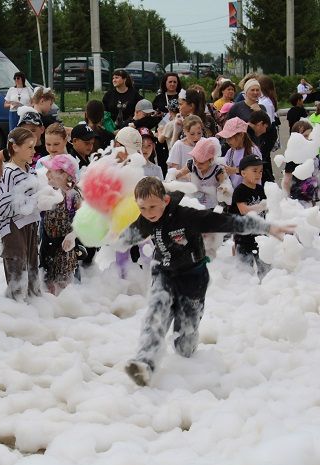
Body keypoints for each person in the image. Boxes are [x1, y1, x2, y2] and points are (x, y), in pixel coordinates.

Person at [121, 177, 293, 386]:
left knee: (185, 338)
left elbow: (226, 221)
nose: (148, 213)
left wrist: (265, 227)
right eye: (142, 208)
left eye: (152, 207)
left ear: (165, 200)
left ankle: (187, 349)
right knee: (155, 314)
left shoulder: (186, 216)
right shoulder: (145, 220)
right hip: (164, 274)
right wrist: (104, 234)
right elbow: (123, 237)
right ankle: (144, 363)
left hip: (193, 277)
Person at [0, 127, 41, 300]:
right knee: (17, 269)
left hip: (29, 225)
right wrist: (31, 202)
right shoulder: (10, 172)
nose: (34, 151)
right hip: (13, 229)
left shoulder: (30, 170)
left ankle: (33, 306)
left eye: (34, 146)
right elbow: (3, 207)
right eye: (29, 147)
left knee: (31, 267)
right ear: (15, 147)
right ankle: (16, 309)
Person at [39, 154, 83, 294]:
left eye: (51, 171)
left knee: (65, 285)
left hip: (65, 246)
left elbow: (84, 219)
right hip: (47, 244)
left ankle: (67, 310)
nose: (46, 174)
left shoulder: (73, 195)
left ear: (64, 175)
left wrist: (72, 235)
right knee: (48, 282)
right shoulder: (48, 192)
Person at [229, 154, 270, 278]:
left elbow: (267, 211)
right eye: (254, 171)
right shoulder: (240, 191)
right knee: (244, 270)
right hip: (244, 236)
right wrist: (261, 206)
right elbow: (243, 210)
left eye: (261, 171)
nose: (258, 174)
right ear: (243, 173)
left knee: (265, 267)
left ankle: (266, 288)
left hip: (260, 235)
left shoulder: (260, 189)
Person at [169, 137, 231, 209]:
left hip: (212, 207)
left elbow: (224, 188)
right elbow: (176, 175)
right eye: (195, 160)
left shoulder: (219, 170)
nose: (197, 165)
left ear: (211, 159)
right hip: (194, 204)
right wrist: (170, 181)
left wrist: (224, 189)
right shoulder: (191, 164)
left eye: (201, 163)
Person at [282, 120, 318, 206]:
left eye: (310, 136)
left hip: (312, 196)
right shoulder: (293, 158)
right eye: (305, 136)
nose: (308, 139)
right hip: (298, 198)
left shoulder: (313, 154)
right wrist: (287, 198)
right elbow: (287, 180)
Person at [218, 117, 261, 188]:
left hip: (251, 192)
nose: (227, 141)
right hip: (236, 192)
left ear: (241, 135)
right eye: (226, 138)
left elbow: (256, 172)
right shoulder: (230, 151)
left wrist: (235, 170)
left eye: (230, 137)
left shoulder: (253, 151)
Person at [247, 110, 275, 183]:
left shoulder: (250, 133)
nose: (265, 131)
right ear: (260, 124)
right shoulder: (246, 135)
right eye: (265, 127)